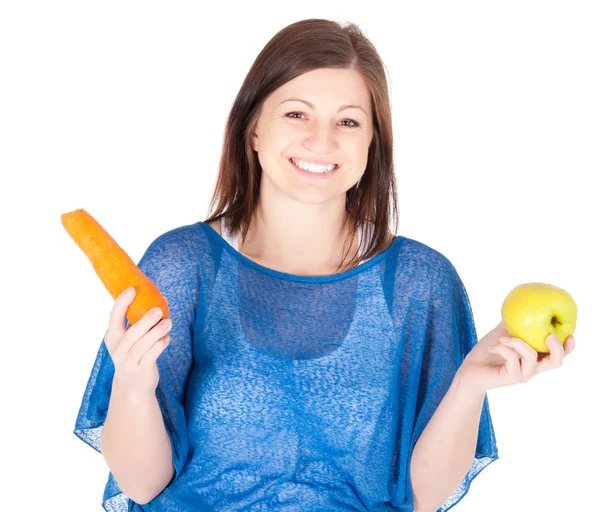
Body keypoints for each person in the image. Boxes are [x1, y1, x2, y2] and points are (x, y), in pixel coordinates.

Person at [73, 18, 575, 512]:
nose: (322, 139)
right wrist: (134, 387)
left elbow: (422, 498)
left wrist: (469, 384)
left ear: (372, 143)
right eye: (296, 114)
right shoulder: (184, 265)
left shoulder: (420, 283)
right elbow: (142, 486)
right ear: (252, 129)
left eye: (349, 121)